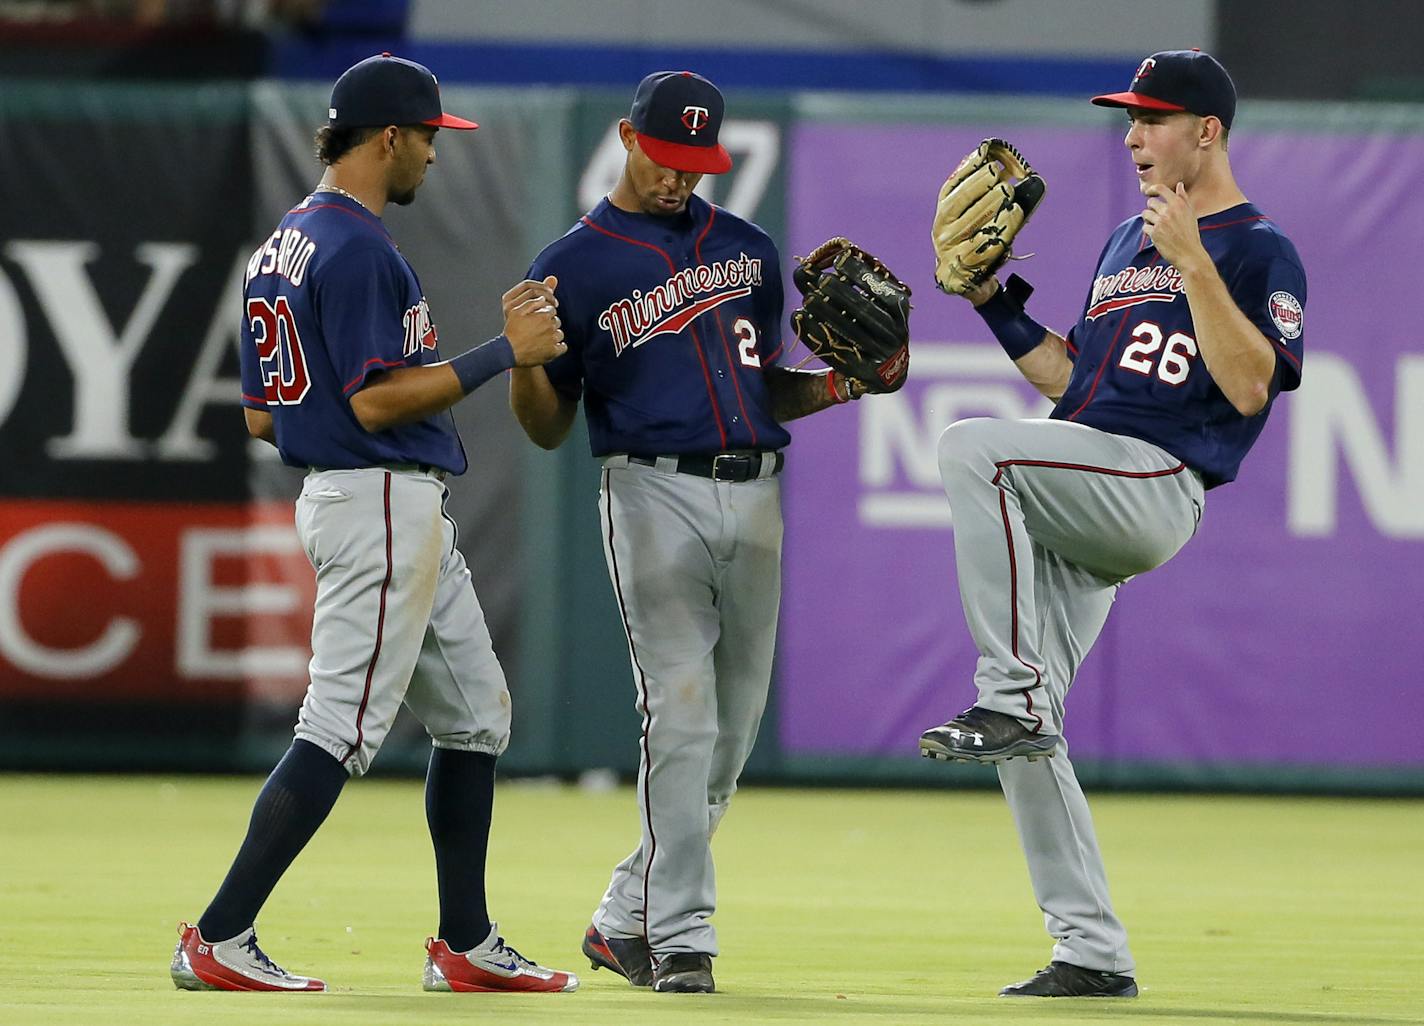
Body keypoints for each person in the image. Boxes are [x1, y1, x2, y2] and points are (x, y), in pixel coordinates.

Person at [170, 52, 578, 995]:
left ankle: (466, 943)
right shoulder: (356, 247)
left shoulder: (285, 243)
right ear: (388, 136)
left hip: (368, 498)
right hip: (376, 496)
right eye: (430, 137)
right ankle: (221, 934)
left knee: (477, 715)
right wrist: (502, 352)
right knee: (341, 726)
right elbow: (372, 405)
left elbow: (264, 415)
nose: (436, 156)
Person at [918, 49, 1306, 998]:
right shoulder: (1123, 243)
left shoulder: (1258, 248)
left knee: (974, 449)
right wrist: (990, 305)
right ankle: (1092, 951)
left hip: (1161, 483)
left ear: (1206, 132)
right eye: (1129, 118)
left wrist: (1196, 265)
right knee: (1033, 737)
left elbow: (1251, 383)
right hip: (1093, 469)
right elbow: (1073, 388)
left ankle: (1004, 691)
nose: (1133, 136)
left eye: (1154, 118)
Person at [510, 70, 889, 994]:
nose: (682, 178)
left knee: (728, 737)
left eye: (697, 162)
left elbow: (768, 394)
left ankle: (619, 915)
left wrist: (847, 383)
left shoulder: (749, 250)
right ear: (630, 140)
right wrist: (526, 363)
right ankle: (683, 934)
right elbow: (547, 424)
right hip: (649, 493)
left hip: (756, 490)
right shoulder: (572, 266)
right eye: (668, 158)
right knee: (679, 716)